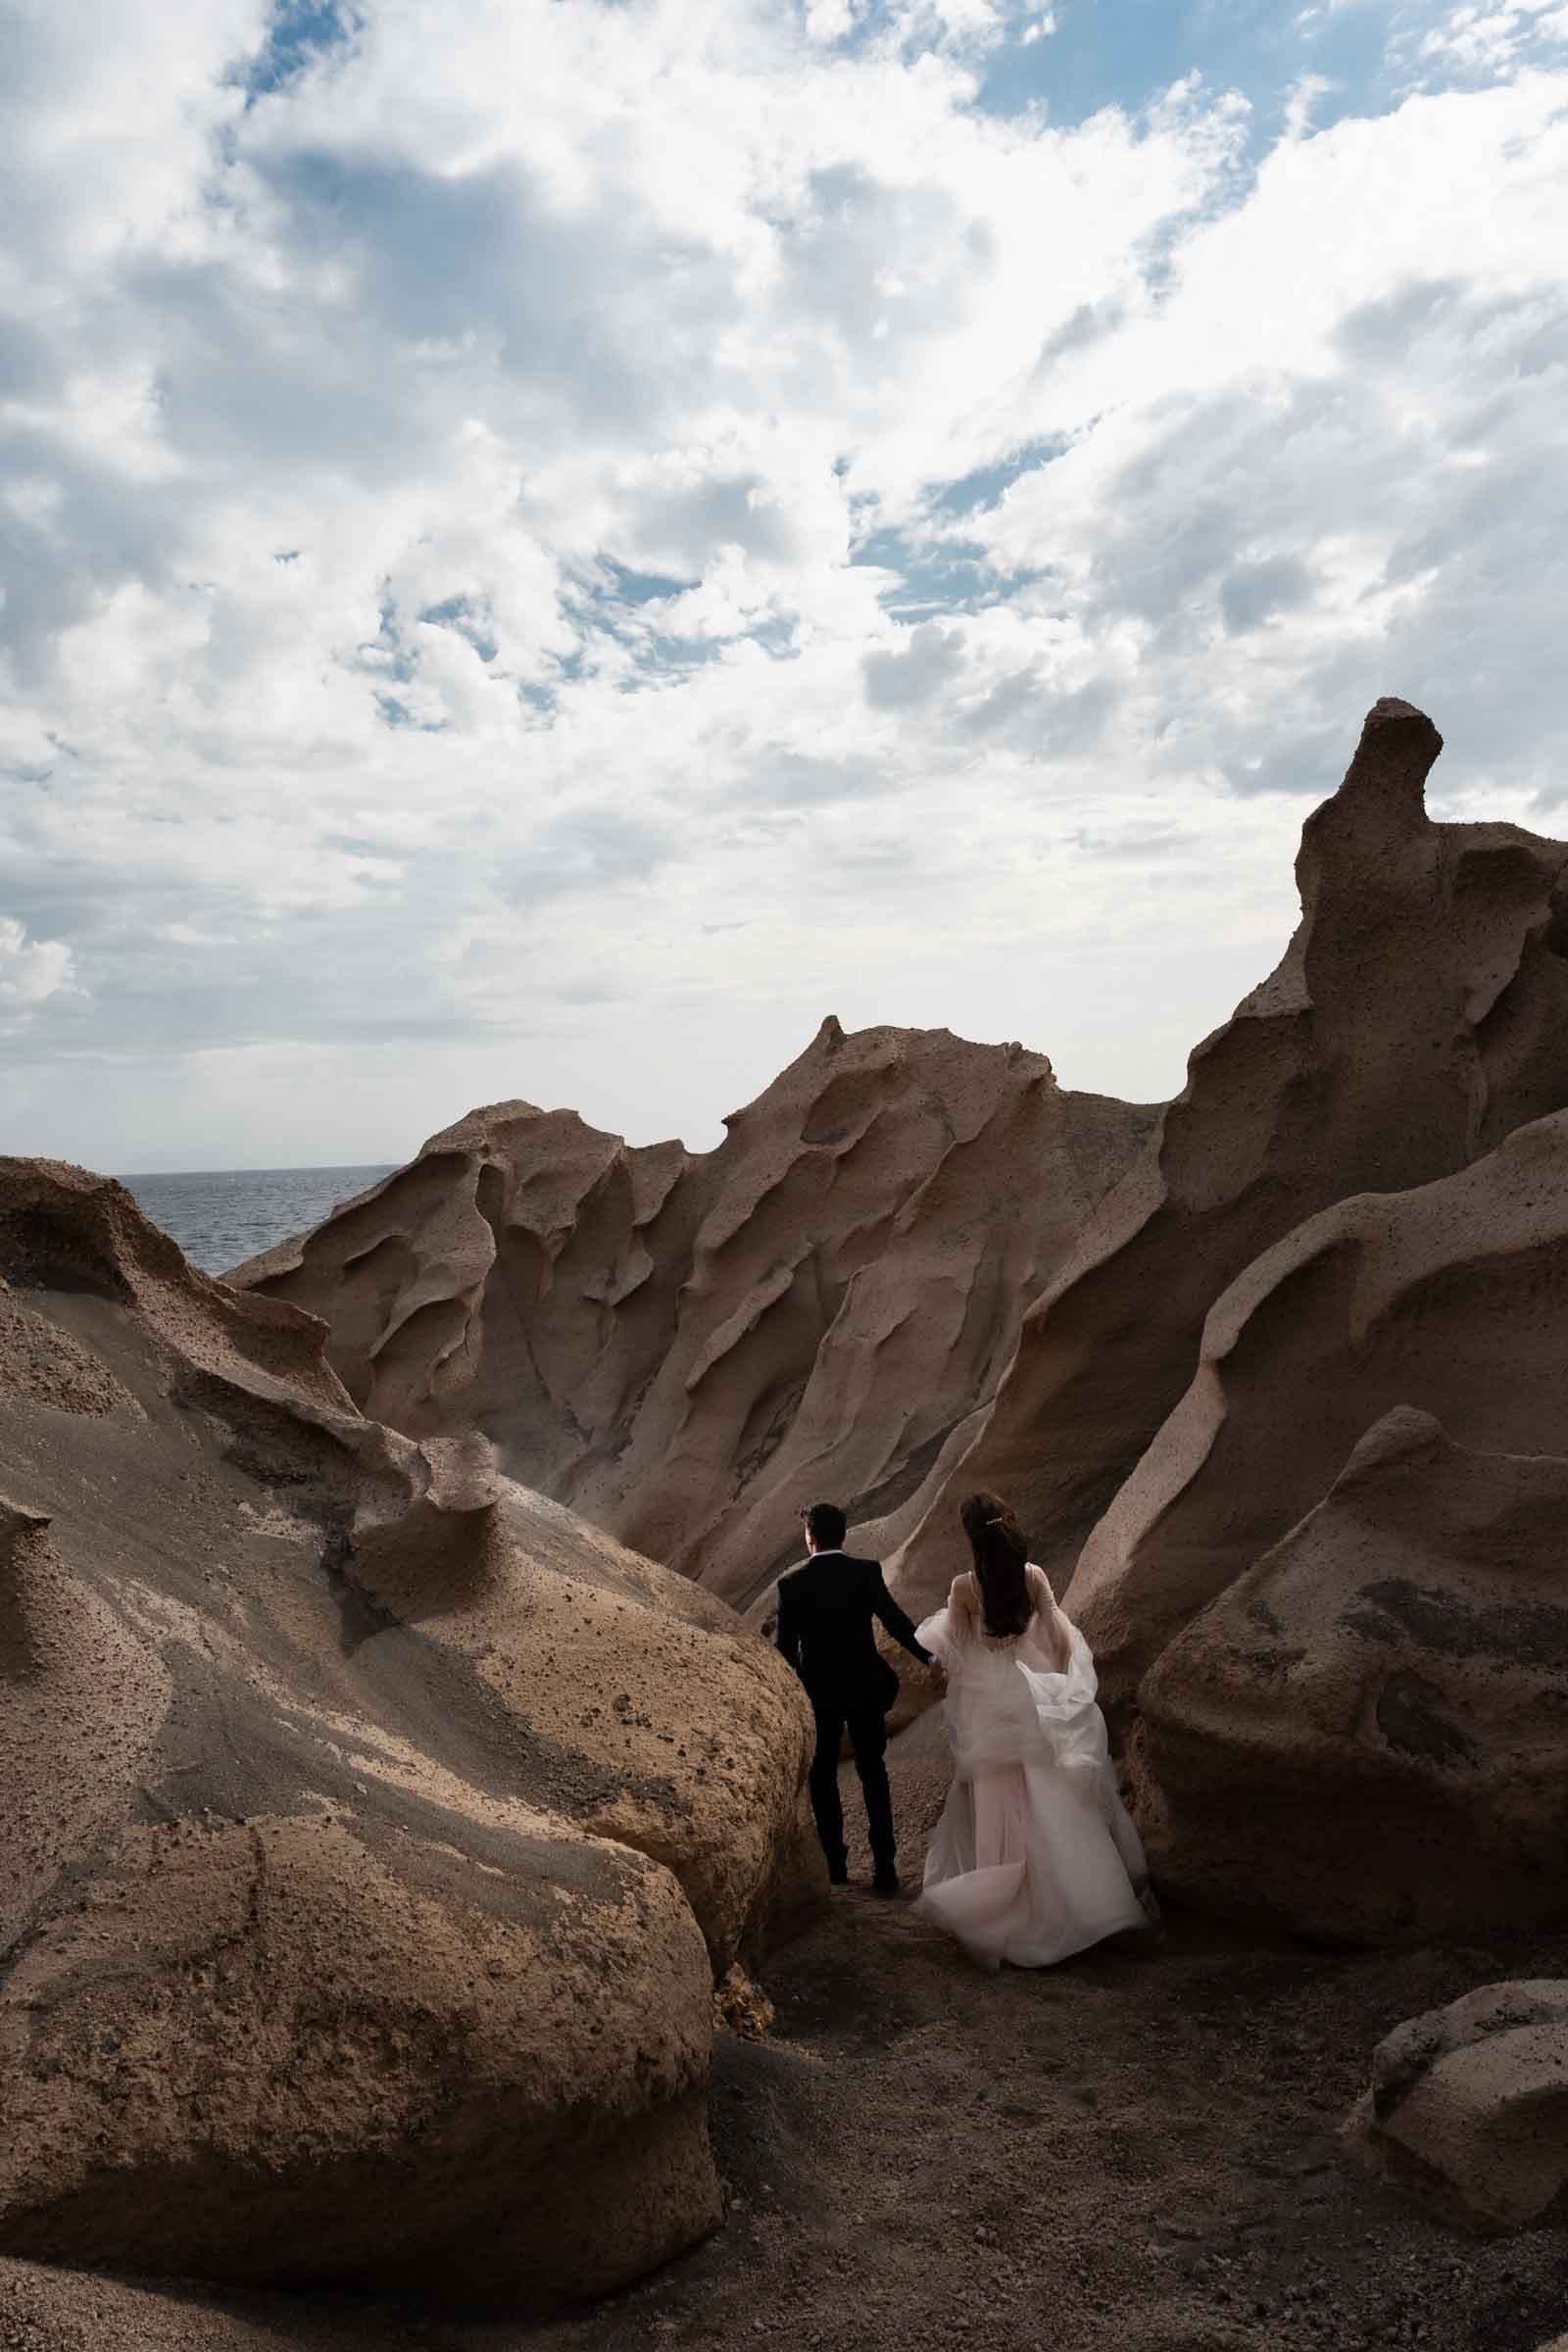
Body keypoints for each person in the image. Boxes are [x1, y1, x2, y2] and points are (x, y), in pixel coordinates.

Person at [914, 1490, 1155, 1970]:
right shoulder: (1032, 1575)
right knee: (1053, 1794)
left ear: (971, 1539)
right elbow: (1060, 1631)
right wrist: (1063, 1687)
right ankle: (1081, 1906)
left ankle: (1003, 1908)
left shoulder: (964, 1587)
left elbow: (958, 1653)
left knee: (998, 1800)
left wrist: (958, 1697)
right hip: (1034, 1690)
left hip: (987, 1701)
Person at [775, 1501, 933, 1894]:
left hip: (818, 1693)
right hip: (864, 1688)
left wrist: (796, 1691)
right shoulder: (865, 1573)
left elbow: (785, 1651)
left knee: (822, 1777)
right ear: (843, 1535)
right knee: (873, 1773)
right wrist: (928, 1656)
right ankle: (884, 1867)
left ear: (809, 1536)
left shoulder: (791, 1584)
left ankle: (836, 1867)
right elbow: (896, 1623)